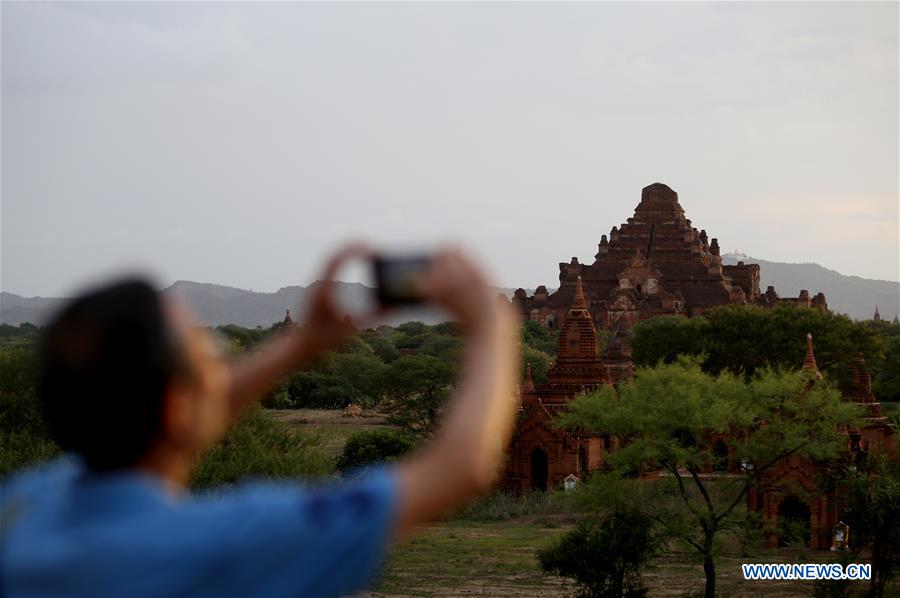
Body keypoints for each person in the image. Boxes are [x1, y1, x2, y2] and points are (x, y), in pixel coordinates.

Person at [0, 246, 519, 597]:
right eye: (212, 355)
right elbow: (461, 466)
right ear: (176, 407)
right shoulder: (220, 542)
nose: (219, 375)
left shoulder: (26, 506)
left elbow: (181, 414)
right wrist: (492, 324)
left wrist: (301, 346)